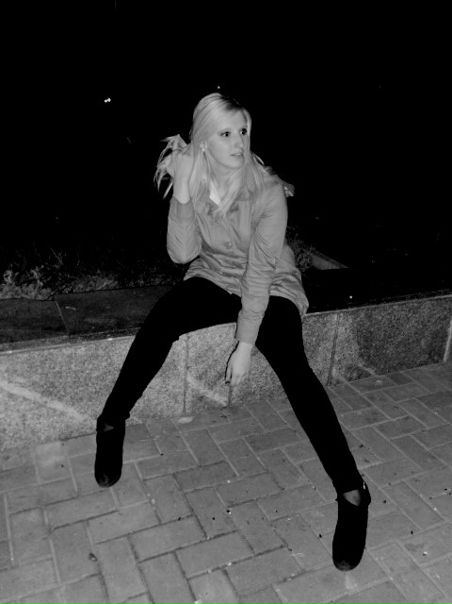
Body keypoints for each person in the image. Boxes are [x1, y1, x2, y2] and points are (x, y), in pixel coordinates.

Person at [94, 91, 371, 571]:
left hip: (271, 283)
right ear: (204, 140)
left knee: (294, 367)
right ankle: (111, 422)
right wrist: (182, 192)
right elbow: (182, 255)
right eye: (226, 133)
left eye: (243, 131)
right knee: (160, 322)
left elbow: (261, 272)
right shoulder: (196, 177)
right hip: (214, 275)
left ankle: (352, 492)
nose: (239, 142)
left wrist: (245, 344)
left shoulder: (266, 190)